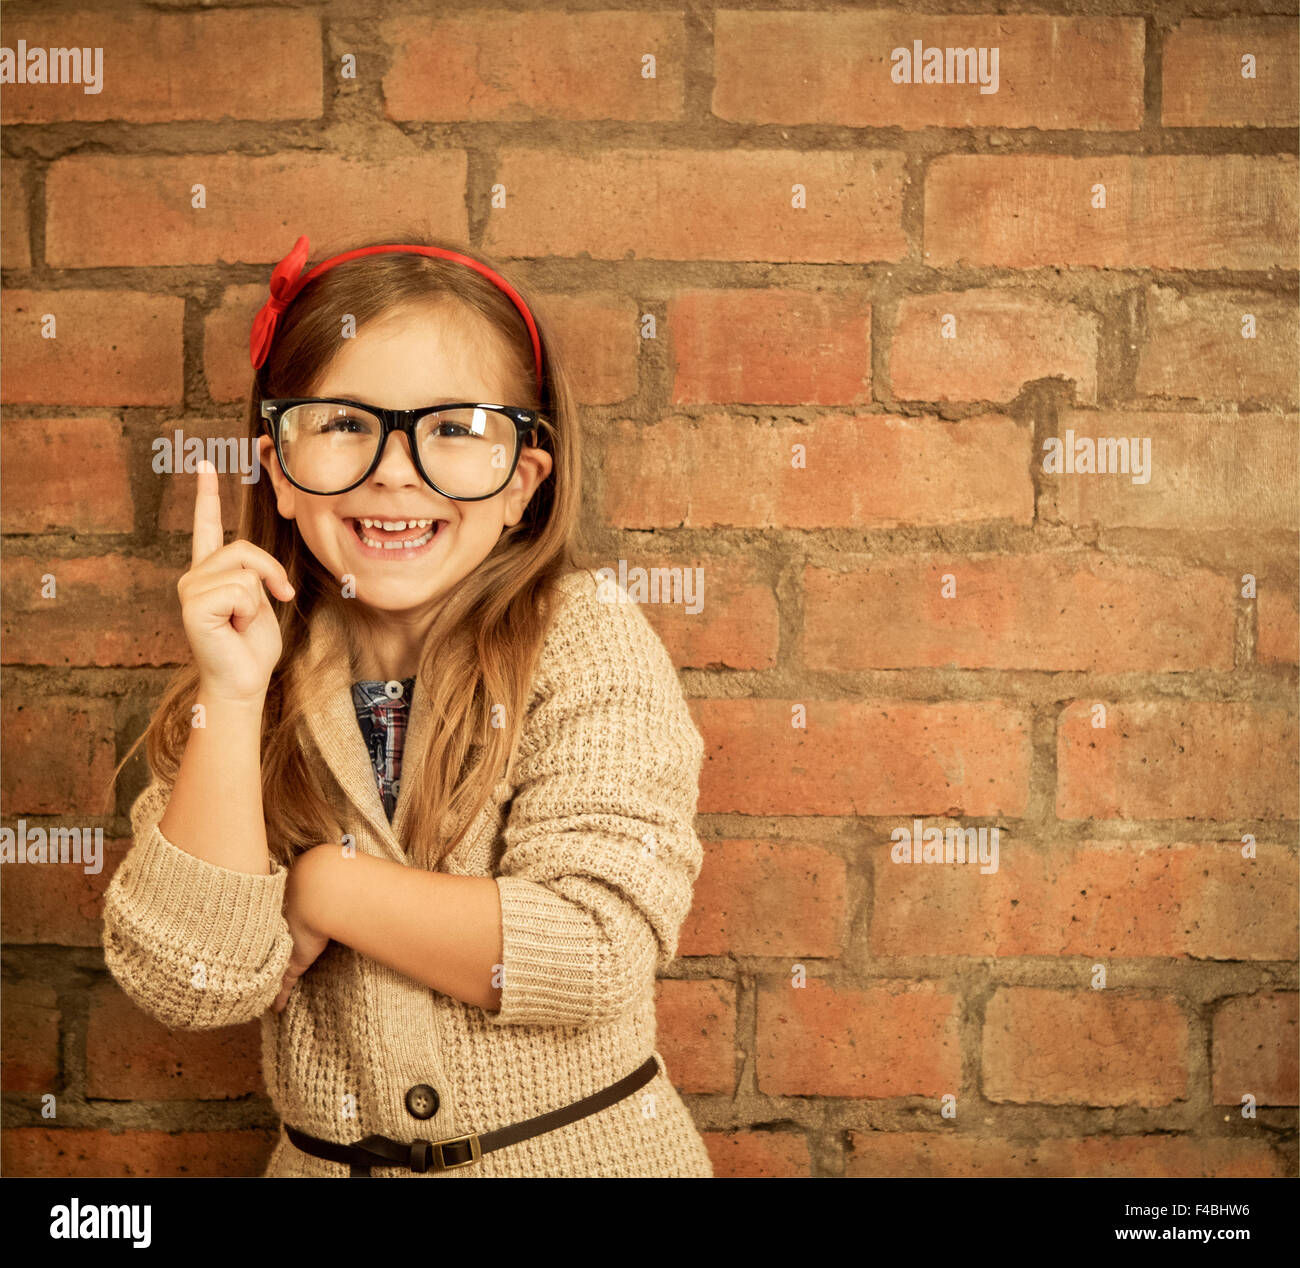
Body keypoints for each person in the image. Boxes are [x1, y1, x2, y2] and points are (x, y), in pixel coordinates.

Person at [101, 231, 715, 1178]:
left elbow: (592, 951)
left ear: (521, 483)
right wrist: (229, 691)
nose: (396, 470)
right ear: (278, 466)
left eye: (455, 428)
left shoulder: (587, 641)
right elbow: (192, 980)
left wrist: (324, 885)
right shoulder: (245, 677)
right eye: (345, 422)